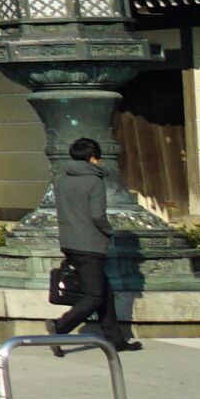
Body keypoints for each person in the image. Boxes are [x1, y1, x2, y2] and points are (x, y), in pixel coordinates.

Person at [46, 134, 139, 352]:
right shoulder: (94, 181)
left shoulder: (61, 180)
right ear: (93, 158)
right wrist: (109, 231)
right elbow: (98, 216)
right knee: (95, 295)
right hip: (90, 244)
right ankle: (60, 326)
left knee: (105, 292)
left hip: (69, 241)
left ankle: (116, 341)